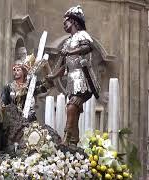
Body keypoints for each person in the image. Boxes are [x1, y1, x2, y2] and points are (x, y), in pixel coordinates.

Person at [47, 5, 100, 146]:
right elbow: (64, 66)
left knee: (71, 107)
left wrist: (70, 52)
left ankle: (66, 139)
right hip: (72, 80)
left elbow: (87, 47)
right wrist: (53, 77)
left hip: (83, 79)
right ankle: (74, 142)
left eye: (67, 22)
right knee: (73, 112)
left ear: (74, 21)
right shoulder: (67, 42)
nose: (64, 24)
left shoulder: (82, 35)